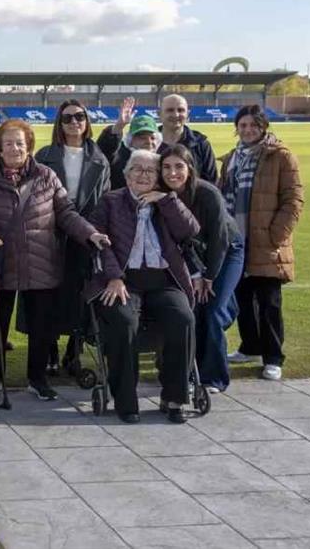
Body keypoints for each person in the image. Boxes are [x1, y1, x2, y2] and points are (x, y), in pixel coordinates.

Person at [0, 119, 110, 400]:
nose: (14, 148)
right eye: (8, 143)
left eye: (20, 142)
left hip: (41, 260)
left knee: (42, 325)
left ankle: (38, 379)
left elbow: (66, 213)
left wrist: (90, 234)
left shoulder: (46, 175)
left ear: (29, 145)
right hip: (0, 260)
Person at [87, 149, 200, 424]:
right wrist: (114, 276)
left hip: (164, 280)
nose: (143, 175)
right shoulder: (111, 201)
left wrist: (167, 200)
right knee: (124, 323)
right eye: (137, 169)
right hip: (124, 281)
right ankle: (126, 401)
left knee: (182, 318)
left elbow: (190, 230)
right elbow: (99, 243)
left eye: (150, 170)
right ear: (126, 175)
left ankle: (174, 396)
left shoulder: (168, 201)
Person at [219, 105, 304, 381]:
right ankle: (250, 346)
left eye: (253, 125)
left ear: (263, 126)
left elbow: (293, 200)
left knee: (269, 302)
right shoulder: (232, 158)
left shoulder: (280, 156)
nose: (248, 130)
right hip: (236, 239)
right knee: (242, 298)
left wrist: (275, 236)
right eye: (242, 125)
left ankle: (273, 357)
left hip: (265, 241)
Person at [35, 100, 112, 376]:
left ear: (87, 121)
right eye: (67, 118)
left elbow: (103, 201)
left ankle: (73, 351)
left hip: (84, 237)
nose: (74, 122)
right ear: (60, 123)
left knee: (80, 296)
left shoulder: (99, 159)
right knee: (49, 295)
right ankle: (50, 350)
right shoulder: (44, 155)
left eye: (79, 117)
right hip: (51, 235)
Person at [160, 145, 243, 393]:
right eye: (166, 167)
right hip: (195, 254)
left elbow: (219, 239)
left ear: (190, 169)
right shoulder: (162, 196)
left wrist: (208, 277)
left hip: (228, 251)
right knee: (194, 310)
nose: (172, 173)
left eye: (179, 166)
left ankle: (214, 378)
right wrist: (196, 272)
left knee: (214, 310)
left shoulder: (207, 193)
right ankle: (189, 371)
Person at [100, 94, 218, 183]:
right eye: (170, 110)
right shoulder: (145, 147)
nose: (176, 115)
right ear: (159, 113)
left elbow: (211, 181)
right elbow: (103, 157)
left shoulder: (200, 144)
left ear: (188, 113)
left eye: (181, 110)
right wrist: (118, 126)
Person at [105, 114, 163, 190]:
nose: (149, 142)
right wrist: (118, 127)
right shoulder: (118, 159)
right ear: (131, 140)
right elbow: (105, 151)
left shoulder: (163, 161)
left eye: (152, 138)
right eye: (142, 138)